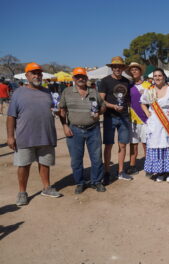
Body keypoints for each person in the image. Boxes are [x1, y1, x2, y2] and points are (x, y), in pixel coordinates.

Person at [7, 62, 61, 206]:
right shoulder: (19, 92)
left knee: (45, 163)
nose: (37, 75)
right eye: (34, 73)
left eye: (39, 73)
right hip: (25, 137)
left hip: (46, 135)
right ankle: (22, 192)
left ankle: (46, 187)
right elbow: (11, 116)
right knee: (24, 165)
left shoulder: (47, 92)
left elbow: (54, 109)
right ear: (27, 76)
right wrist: (10, 136)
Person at [58, 67, 106, 194]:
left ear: (86, 78)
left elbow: (103, 107)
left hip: (93, 129)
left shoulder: (93, 92)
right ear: (73, 78)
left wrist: (99, 113)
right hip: (75, 130)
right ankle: (79, 182)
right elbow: (62, 111)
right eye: (78, 77)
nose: (80, 79)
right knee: (76, 159)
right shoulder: (67, 92)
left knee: (96, 158)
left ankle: (96, 181)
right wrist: (64, 126)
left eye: (83, 77)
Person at [140, 68, 169, 182]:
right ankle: (160, 171)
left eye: (160, 76)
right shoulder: (149, 90)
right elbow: (143, 103)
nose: (157, 78)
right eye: (155, 76)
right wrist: (147, 112)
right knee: (155, 145)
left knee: (167, 145)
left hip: (167, 120)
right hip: (154, 121)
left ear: (164, 77)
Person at [98, 56, 132, 184]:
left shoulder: (126, 81)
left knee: (122, 145)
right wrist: (113, 106)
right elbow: (101, 100)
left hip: (124, 117)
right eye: (115, 67)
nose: (117, 68)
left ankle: (121, 171)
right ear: (112, 68)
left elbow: (128, 99)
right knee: (108, 146)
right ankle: (106, 172)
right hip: (110, 117)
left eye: (120, 66)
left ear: (123, 68)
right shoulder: (104, 81)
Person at [125, 62, 148, 175]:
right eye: (131, 70)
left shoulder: (148, 85)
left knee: (146, 144)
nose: (134, 71)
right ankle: (132, 166)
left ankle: (149, 165)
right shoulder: (128, 86)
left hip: (146, 120)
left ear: (140, 71)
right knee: (133, 144)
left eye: (136, 69)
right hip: (133, 119)